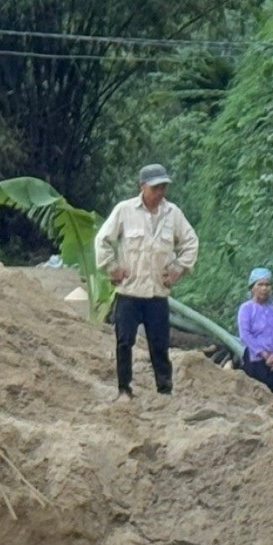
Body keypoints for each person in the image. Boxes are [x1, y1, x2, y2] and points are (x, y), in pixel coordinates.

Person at [93, 163, 200, 396]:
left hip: (157, 293)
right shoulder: (125, 210)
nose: (160, 192)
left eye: (163, 187)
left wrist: (178, 269)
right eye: (155, 187)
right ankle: (124, 389)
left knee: (160, 345)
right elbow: (102, 240)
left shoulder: (173, 214)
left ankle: (164, 389)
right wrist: (112, 267)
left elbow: (191, 242)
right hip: (129, 291)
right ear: (142, 187)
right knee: (124, 342)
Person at [237, 267, 273, 395]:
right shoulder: (246, 308)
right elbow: (245, 335)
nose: (264, 288)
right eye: (260, 284)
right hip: (256, 361)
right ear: (252, 287)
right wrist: (264, 355)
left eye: (267, 284)